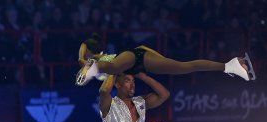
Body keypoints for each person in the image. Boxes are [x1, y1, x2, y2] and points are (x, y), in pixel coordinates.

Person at [75, 33, 256, 86]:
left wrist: (83, 59)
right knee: (183, 68)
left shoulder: (95, 57)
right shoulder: (99, 62)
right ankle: (229, 66)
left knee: (112, 67)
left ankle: (229, 66)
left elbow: (84, 44)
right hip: (139, 62)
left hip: (133, 58)